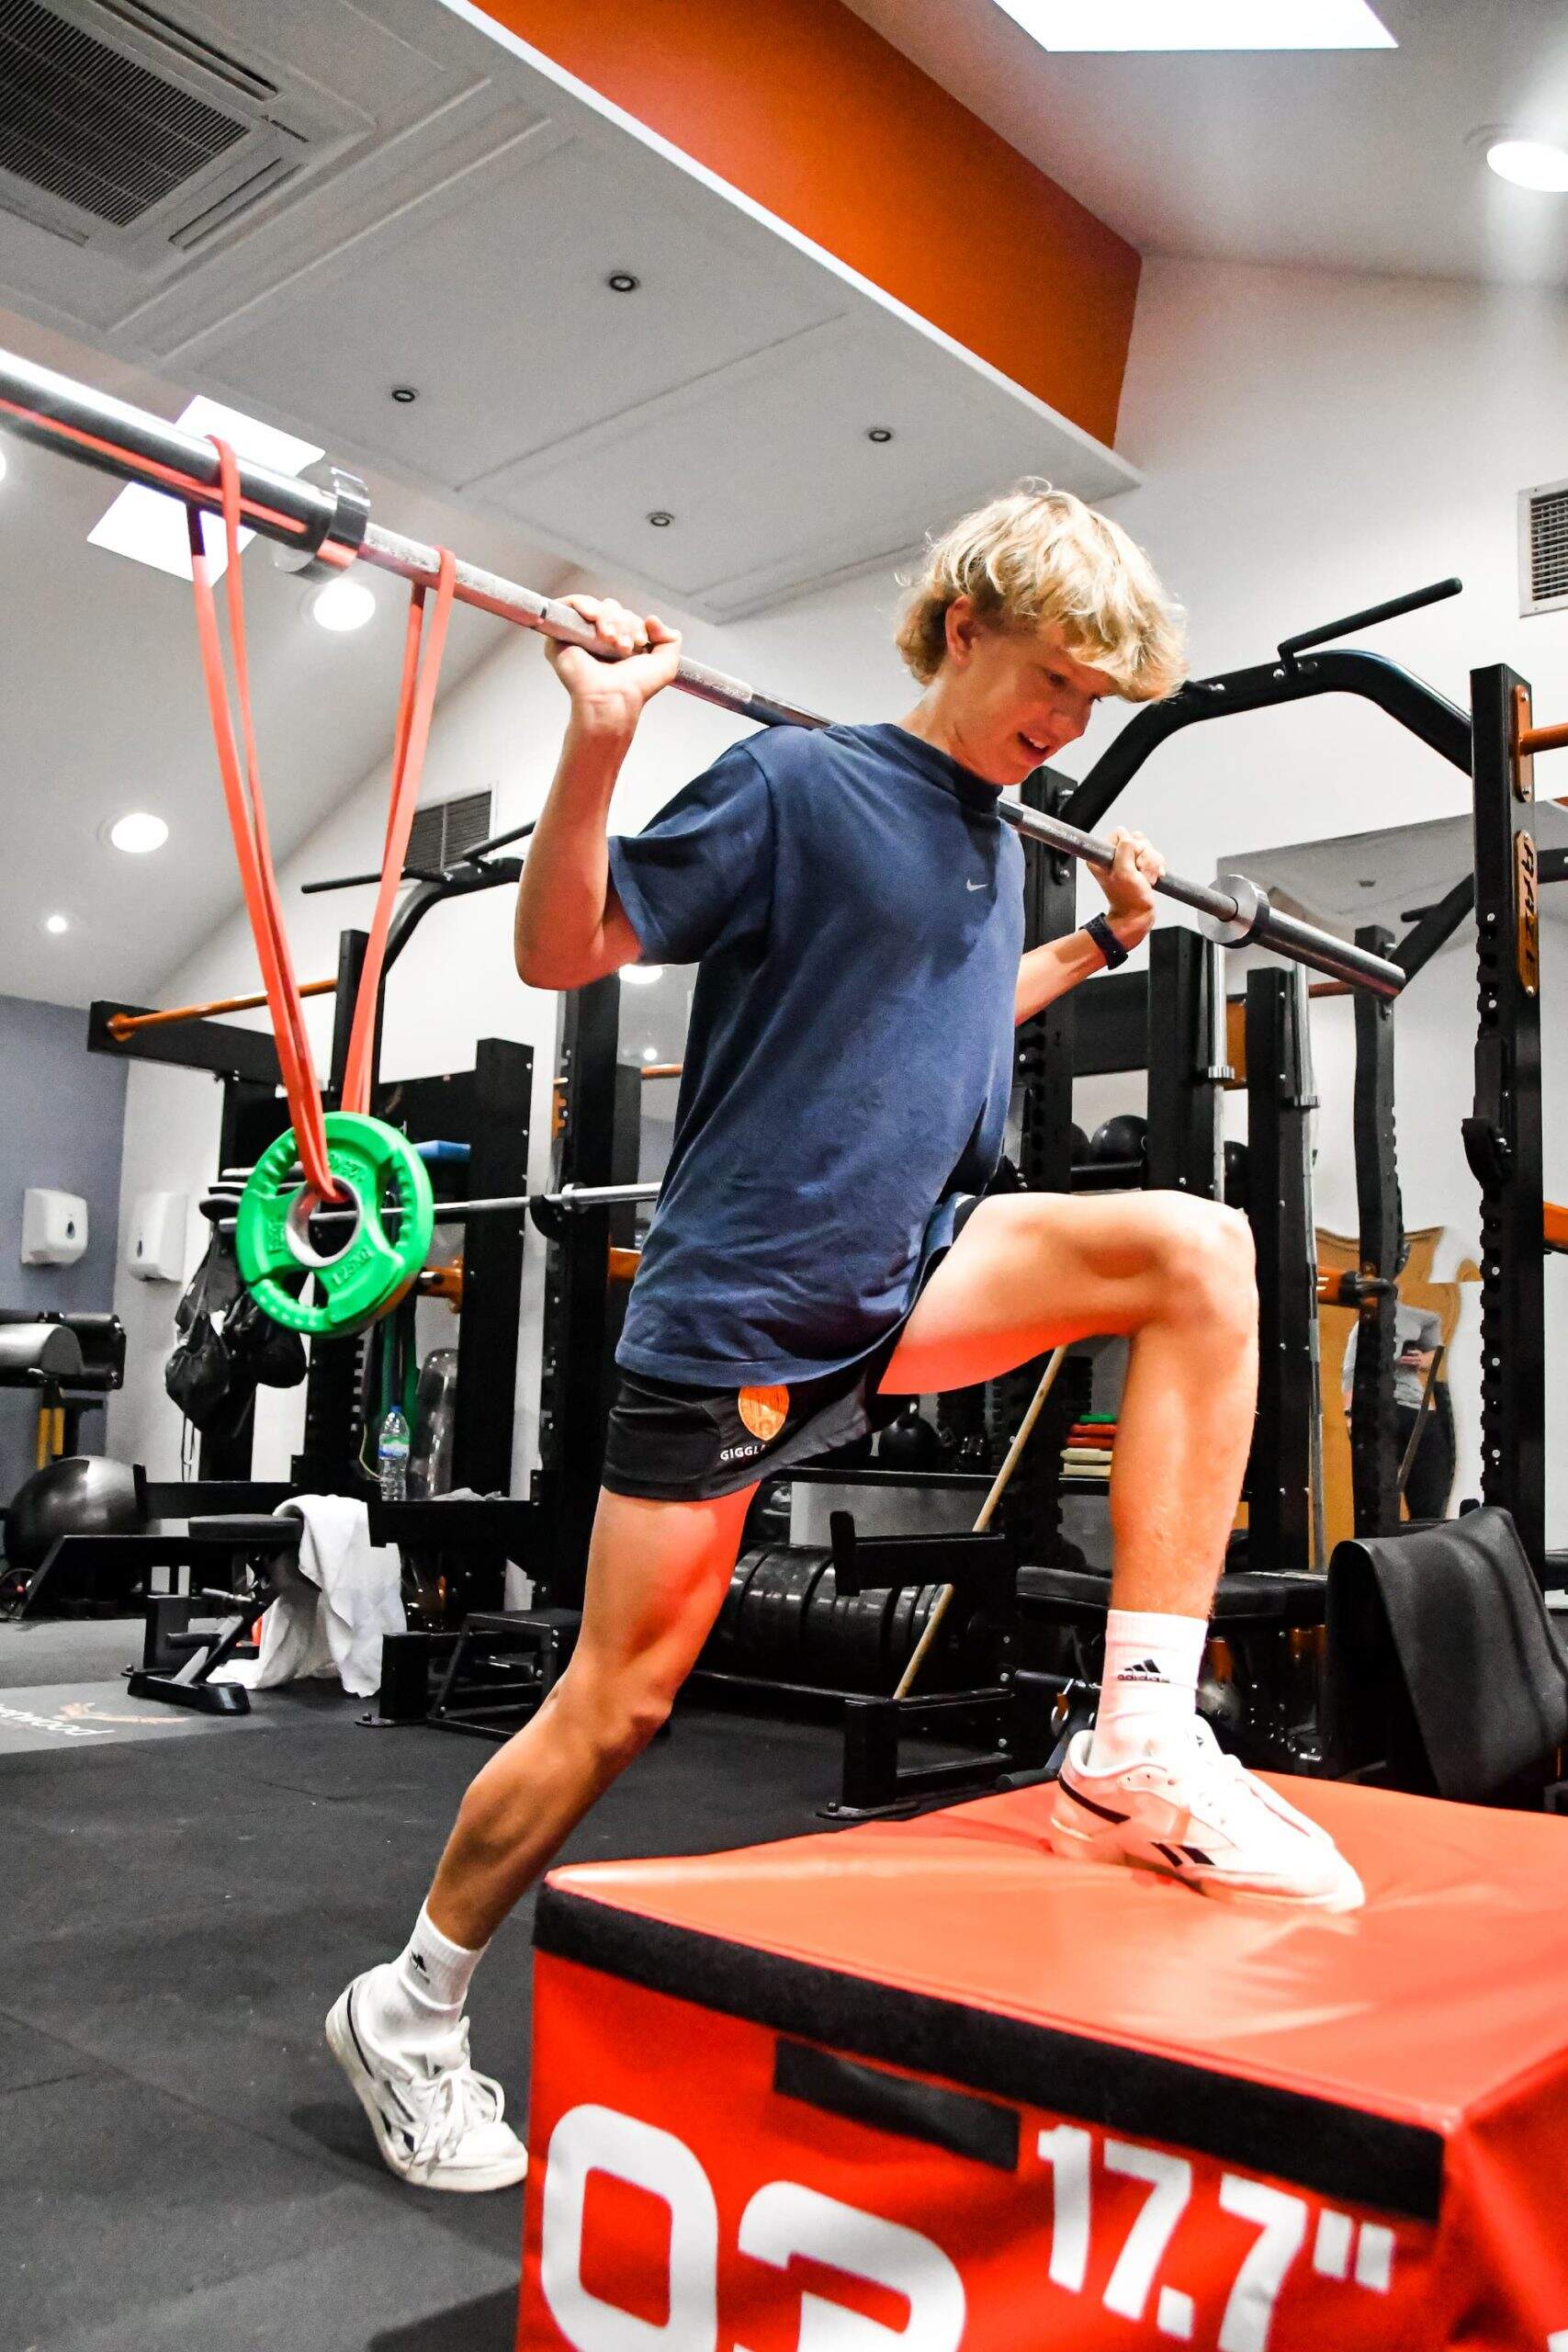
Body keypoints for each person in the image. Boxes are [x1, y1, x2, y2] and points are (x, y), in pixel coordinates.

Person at [327, 483, 1364, 2194]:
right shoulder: (800, 783)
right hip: (745, 1301)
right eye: (1050, 683)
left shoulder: (995, 835)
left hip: (909, 1272)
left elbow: (938, 1011)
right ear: (961, 628)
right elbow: (559, 945)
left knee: (1197, 1252)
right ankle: (412, 2002)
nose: (1064, 727)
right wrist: (599, 741)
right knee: (617, 1702)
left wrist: (1095, 943)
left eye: (1091, 706)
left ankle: (1137, 1738)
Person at [1342, 1297, 1448, 1521]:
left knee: (1428, 1499)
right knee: (1378, 1499)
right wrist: (1351, 1416)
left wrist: (1422, 1358)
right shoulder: (1364, 1326)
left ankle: (1425, 1539)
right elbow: (1351, 1371)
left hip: (1417, 1411)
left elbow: (1435, 1353)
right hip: (1382, 1409)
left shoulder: (1418, 1319)